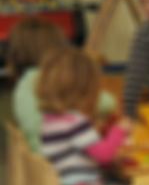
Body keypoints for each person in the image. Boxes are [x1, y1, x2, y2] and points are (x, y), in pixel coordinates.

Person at [37, 48, 132, 185]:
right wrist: (119, 130)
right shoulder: (75, 122)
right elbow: (105, 156)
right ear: (86, 90)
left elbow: (83, 154)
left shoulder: (49, 120)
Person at [9, 18, 118, 151]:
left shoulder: (23, 83)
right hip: (62, 159)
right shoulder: (50, 78)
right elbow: (107, 102)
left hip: (39, 160)